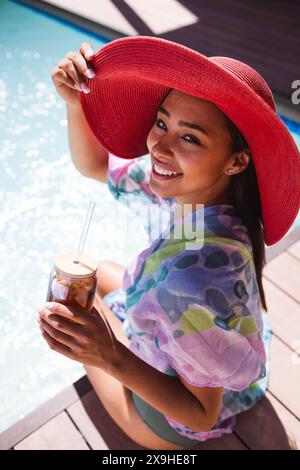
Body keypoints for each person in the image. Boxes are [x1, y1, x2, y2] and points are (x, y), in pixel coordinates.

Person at [38, 37, 300, 450]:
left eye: (190, 138)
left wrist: (106, 354)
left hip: (169, 422)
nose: (159, 147)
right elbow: (95, 165)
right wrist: (76, 104)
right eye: (162, 123)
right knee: (98, 269)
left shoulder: (190, 287)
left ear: (236, 160)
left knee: (74, 309)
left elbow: (201, 412)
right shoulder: (193, 192)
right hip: (199, 340)